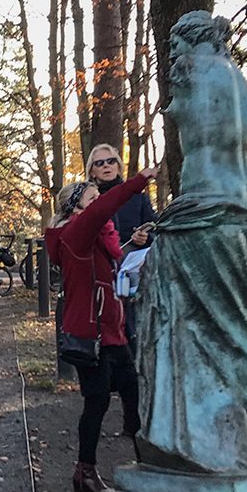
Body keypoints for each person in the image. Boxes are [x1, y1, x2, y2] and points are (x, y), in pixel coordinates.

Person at [44, 167, 157, 492]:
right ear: (77, 208)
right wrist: (138, 181)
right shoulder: (77, 233)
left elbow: (105, 274)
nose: (101, 204)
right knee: (96, 403)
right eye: (93, 199)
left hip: (114, 332)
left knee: (132, 395)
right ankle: (85, 471)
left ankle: (145, 465)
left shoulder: (99, 237)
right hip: (90, 334)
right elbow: (104, 209)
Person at [86, 143, 157, 355]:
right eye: (100, 163)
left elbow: (157, 231)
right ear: (92, 170)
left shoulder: (138, 198)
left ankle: (135, 373)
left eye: (111, 161)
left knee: (133, 325)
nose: (106, 166)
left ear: (119, 165)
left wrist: (145, 237)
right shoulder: (88, 199)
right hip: (98, 277)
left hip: (133, 275)